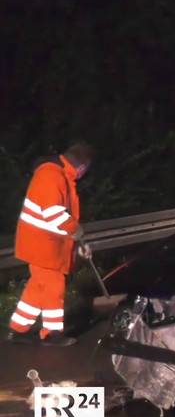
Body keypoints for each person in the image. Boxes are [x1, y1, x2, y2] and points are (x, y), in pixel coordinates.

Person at [6, 142, 94, 347]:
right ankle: (53, 334)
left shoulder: (56, 174)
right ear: (82, 168)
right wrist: (76, 230)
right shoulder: (52, 176)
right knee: (54, 288)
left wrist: (76, 240)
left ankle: (18, 330)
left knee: (38, 288)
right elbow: (53, 214)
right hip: (43, 246)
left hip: (43, 245)